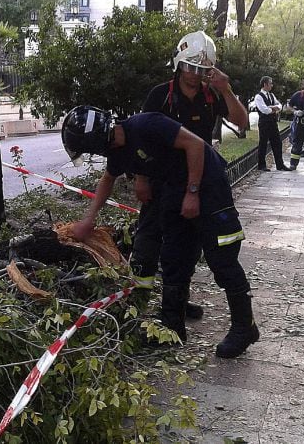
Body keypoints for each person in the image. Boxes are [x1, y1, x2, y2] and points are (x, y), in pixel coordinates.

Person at [62, 106, 259, 358]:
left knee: (222, 260)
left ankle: (245, 327)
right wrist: (88, 220)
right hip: (174, 189)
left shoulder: (147, 124)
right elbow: (107, 180)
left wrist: (193, 192)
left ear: (96, 139)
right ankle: (172, 330)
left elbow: (195, 145)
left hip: (207, 185)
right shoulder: (117, 150)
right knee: (174, 256)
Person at [134, 31, 249, 321]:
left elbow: (241, 120)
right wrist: (141, 178)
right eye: (190, 67)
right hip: (161, 180)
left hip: (195, 182)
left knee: (185, 247)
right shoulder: (160, 95)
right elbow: (141, 138)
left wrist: (226, 90)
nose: (194, 75)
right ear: (179, 64)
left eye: (202, 70)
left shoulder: (211, 95)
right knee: (149, 242)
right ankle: (136, 308)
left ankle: (177, 304)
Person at [254, 76, 290, 171]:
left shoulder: (271, 95)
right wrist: (274, 109)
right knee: (263, 144)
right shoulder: (258, 96)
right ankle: (261, 165)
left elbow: (280, 106)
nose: (272, 85)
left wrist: (273, 107)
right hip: (264, 123)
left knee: (277, 143)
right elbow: (264, 110)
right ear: (265, 84)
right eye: (270, 83)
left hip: (273, 123)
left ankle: (280, 164)